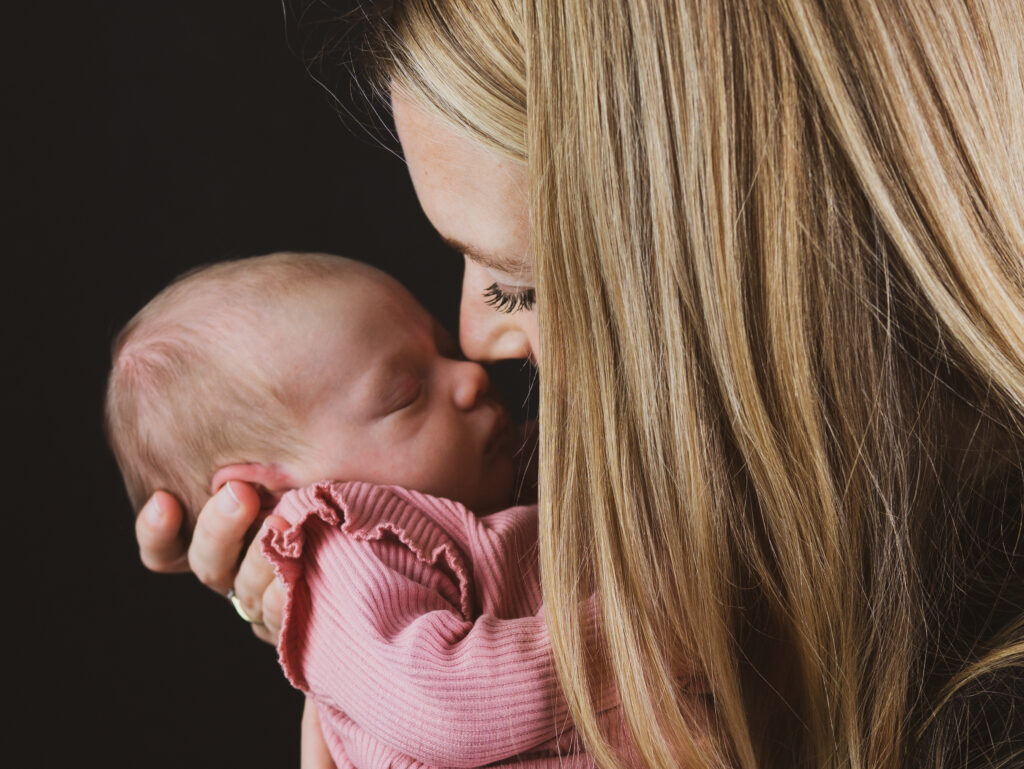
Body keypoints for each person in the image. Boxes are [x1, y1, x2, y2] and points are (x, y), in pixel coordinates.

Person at [133, 2, 1024, 768]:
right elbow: (442, 693)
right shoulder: (366, 539)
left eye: (520, 285)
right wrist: (319, 606)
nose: (477, 343)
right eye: (401, 393)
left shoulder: (978, 687)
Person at [107, 251, 633, 767]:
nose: (469, 375)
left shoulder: (487, 483)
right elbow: (452, 706)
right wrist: (647, 628)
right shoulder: (337, 552)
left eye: (445, 350)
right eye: (405, 396)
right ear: (270, 498)